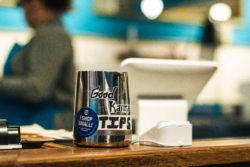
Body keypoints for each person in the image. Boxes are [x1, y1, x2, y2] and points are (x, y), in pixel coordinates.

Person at [0, 0, 75, 130]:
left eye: (24, 6)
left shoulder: (52, 34)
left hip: (42, 122)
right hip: (30, 119)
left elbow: (36, 89)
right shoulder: (46, 33)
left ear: (35, 3)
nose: (23, 13)